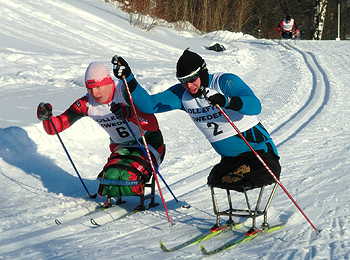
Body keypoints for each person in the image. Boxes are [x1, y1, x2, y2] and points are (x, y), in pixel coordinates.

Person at [111, 49, 281, 195]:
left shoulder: (224, 82)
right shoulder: (182, 95)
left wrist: (226, 101)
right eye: (183, 81)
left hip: (259, 152)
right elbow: (150, 105)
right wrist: (129, 79)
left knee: (253, 177)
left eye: (192, 79)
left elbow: (255, 106)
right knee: (215, 179)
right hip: (230, 160)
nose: (188, 85)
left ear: (203, 72)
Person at [37, 62, 165, 207]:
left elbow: (153, 125)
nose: (95, 94)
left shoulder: (123, 92)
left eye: (98, 87)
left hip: (149, 142)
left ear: (109, 82)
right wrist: (46, 118)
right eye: (90, 89)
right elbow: (55, 128)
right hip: (120, 146)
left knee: (129, 177)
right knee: (109, 177)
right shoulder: (87, 103)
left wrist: (128, 113)